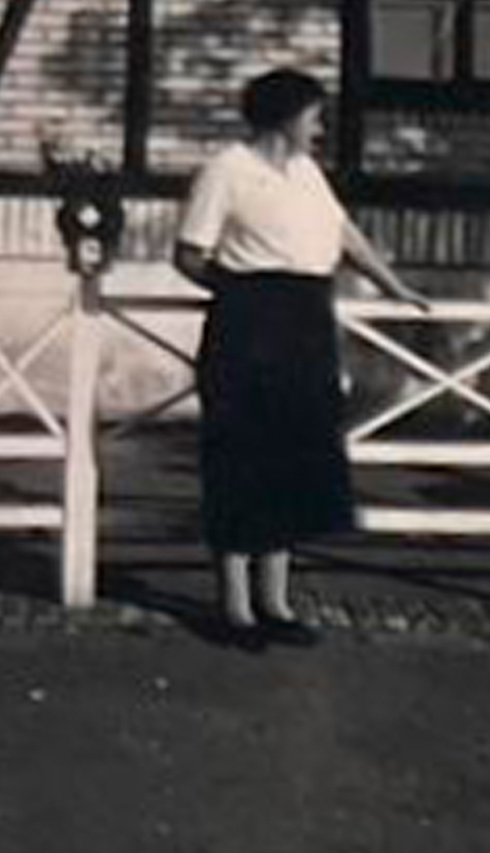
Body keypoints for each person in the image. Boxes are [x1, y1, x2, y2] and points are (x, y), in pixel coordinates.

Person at [174, 68, 429, 651]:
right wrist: (242, 295)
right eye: (314, 116)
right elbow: (188, 254)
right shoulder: (227, 169)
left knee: (292, 457)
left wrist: (394, 287)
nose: (320, 128)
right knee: (242, 456)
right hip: (248, 328)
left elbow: (346, 236)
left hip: (307, 324)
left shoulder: (307, 172)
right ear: (284, 116)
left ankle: (275, 602)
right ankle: (234, 608)